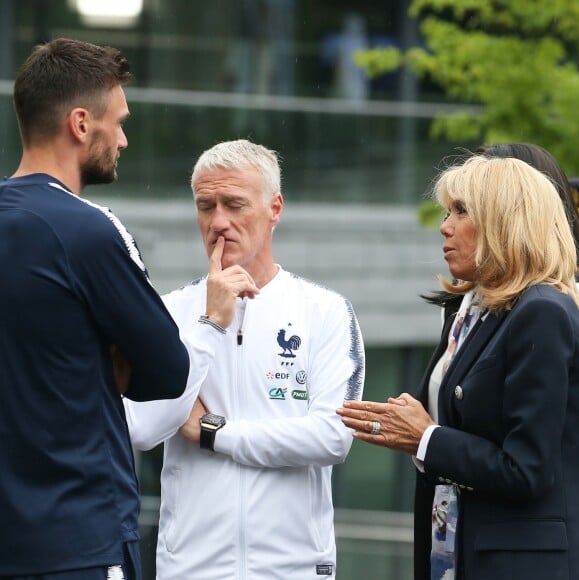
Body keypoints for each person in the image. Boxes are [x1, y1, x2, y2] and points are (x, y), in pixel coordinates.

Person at [0, 38, 252, 580]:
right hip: (78, 542)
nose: (125, 138)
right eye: (118, 122)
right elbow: (166, 372)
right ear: (80, 123)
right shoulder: (90, 230)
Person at [124, 139, 366, 580]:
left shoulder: (323, 311)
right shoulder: (171, 311)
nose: (218, 222)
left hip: (292, 568)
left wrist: (215, 432)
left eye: (235, 205)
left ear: (275, 208)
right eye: (205, 206)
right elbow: (141, 428)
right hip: (191, 567)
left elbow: (332, 438)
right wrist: (211, 322)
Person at [337, 154, 579, 580]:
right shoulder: (482, 314)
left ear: (505, 221)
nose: (444, 226)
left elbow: (527, 470)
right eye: (448, 211)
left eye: (461, 211)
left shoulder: (542, 312)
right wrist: (414, 435)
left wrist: (426, 439)